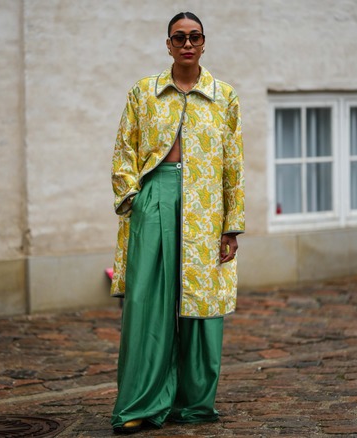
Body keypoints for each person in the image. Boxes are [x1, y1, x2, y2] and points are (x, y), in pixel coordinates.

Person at [109, 11, 245, 434]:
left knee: (201, 304)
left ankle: (193, 402)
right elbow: (124, 150)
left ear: (204, 43)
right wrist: (134, 198)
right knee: (146, 303)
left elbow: (234, 164)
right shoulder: (143, 92)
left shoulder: (224, 96)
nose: (187, 44)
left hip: (207, 209)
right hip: (155, 198)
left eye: (195, 37)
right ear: (168, 44)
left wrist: (231, 224)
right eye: (179, 37)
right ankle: (140, 403)